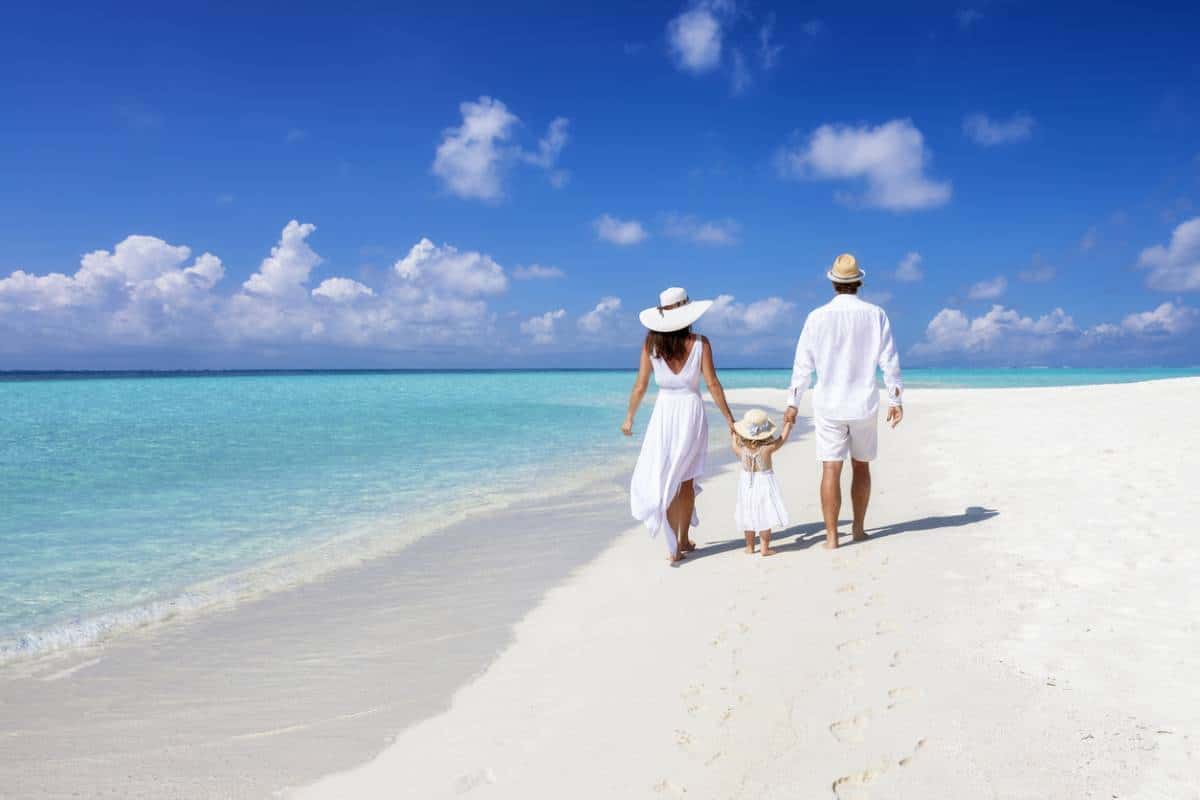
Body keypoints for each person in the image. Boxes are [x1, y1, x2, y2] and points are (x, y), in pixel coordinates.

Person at [783, 254, 904, 550]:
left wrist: (793, 402)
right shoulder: (876, 314)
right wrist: (895, 397)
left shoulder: (816, 316)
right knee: (861, 467)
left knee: (830, 469)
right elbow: (889, 359)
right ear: (858, 282)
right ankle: (859, 529)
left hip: (829, 405)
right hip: (863, 403)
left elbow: (803, 365)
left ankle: (832, 537)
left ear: (834, 282)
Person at [623, 287, 737, 564]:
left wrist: (629, 417)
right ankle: (683, 539)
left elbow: (640, 385)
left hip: (664, 414)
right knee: (685, 479)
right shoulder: (700, 343)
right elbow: (712, 384)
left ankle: (675, 545)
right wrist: (730, 420)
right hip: (691, 412)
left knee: (668, 478)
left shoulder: (651, 344)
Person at [731, 408, 795, 557]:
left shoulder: (743, 450)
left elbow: (734, 446)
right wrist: (788, 426)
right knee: (764, 515)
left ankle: (750, 546)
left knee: (749, 514)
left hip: (747, 485)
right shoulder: (767, 448)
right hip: (764, 483)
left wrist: (733, 434)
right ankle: (765, 548)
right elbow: (782, 439)